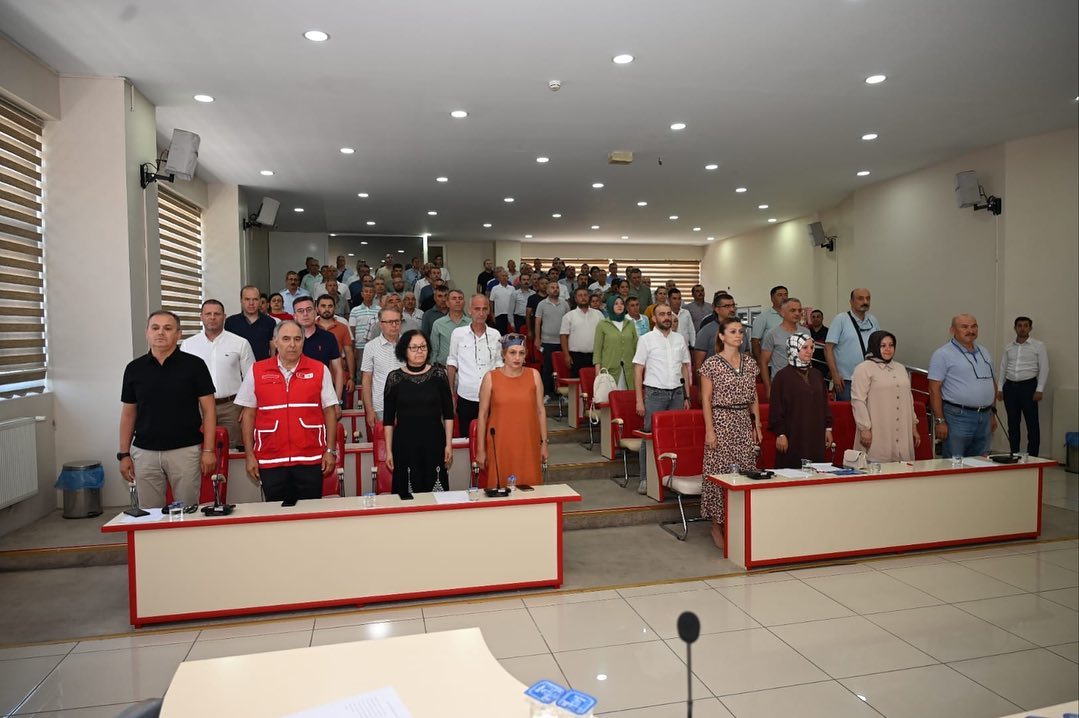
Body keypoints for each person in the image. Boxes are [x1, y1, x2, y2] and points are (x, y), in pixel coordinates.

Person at [118, 310, 217, 508]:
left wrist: (208, 450)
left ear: (178, 334)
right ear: (147, 332)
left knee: (187, 511)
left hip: (185, 451)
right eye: (155, 328)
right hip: (145, 453)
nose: (161, 333)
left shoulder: (195, 366)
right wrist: (124, 454)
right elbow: (128, 414)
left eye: (168, 328)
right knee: (150, 514)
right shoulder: (134, 369)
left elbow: (209, 411)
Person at [235, 320, 338, 503]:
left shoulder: (319, 369)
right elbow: (248, 415)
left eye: (297, 339)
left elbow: (330, 412)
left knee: (310, 511)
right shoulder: (257, 370)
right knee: (276, 513)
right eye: (286, 339)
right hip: (271, 458)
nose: (292, 344)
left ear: (303, 342)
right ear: (275, 342)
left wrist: (330, 450)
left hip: (310, 458)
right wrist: (249, 455)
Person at [699, 317, 762, 548]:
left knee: (745, 470)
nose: (738, 335)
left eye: (741, 331)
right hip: (721, 421)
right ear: (722, 336)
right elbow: (705, 399)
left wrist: (757, 425)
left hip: (743, 421)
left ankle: (739, 521)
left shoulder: (750, 363)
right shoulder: (712, 364)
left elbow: (754, 396)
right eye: (733, 331)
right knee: (719, 472)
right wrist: (710, 430)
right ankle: (716, 524)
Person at [383, 330, 455, 495]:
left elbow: (448, 414)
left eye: (423, 347)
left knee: (435, 493)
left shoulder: (439, 375)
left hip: (434, 443)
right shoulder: (394, 378)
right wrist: (389, 451)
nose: (419, 351)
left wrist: (448, 445)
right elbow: (388, 420)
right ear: (404, 350)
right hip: (404, 445)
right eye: (414, 347)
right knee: (407, 495)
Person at [632, 303, 692, 493]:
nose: (666, 317)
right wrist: (639, 400)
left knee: (675, 437)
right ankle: (645, 479)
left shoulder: (679, 338)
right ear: (653, 318)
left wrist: (687, 396)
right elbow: (638, 370)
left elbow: (684, 368)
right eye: (662, 314)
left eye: (668, 314)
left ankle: (670, 477)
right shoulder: (646, 339)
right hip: (655, 394)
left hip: (677, 394)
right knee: (649, 436)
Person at [476, 334, 548, 486]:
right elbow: (482, 415)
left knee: (530, 486)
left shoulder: (534, 375)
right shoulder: (490, 378)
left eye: (521, 353)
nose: (517, 357)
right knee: (501, 486)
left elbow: (541, 411)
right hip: (500, 443)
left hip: (528, 442)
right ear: (503, 354)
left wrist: (544, 444)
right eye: (512, 352)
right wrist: (481, 449)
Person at [181, 299, 254, 448]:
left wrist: (247, 408)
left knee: (231, 450)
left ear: (224, 317)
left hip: (231, 408)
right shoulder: (188, 345)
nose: (212, 317)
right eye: (208, 314)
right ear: (201, 316)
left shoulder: (240, 343)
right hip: (198, 408)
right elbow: (182, 379)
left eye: (217, 314)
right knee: (199, 449)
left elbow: (251, 378)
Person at [928, 314, 997, 458]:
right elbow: (934, 389)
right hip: (957, 417)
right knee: (955, 462)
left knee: (981, 462)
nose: (970, 331)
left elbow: (992, 383)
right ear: (952, 330)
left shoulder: (984, 352)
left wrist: (992, 414)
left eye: (974, 326)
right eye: (964, 327)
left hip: (985, 417)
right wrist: (940, 421)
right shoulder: (942, 354)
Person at [851, 331, 920, 462]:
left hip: (902, 427)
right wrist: (865, 428)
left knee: (902, 467)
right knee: (878, 465)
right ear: (875, 346)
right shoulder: (864, 368)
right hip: (878, 427)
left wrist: (913, 426)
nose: (888, 349)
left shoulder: (900, 368)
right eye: (883, 345)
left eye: (891, 345)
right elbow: (858, 400)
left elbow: (908, 399)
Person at [769, 335, 833, 469]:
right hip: (793, 434)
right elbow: (776, 408)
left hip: (815, 433)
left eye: (812, 347)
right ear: (794, 349)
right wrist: (781, 433)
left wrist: (828, 429)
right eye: (804, 347)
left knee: (816, 470)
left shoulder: (817, 374)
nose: (809, 351)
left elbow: (824, 404)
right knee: (792, 470)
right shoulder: (782, 377)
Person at [446, 295, 503, 437]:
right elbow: (452, 363)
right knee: (467, 437)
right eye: (477, 309)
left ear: (489, 311)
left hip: (491, 396)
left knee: (491, 438)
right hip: (466, 396)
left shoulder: (496, 335)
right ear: (469, 310)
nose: (481, 313)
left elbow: (499, 365)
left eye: (484, 309)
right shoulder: (458, 334)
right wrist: (450, 393)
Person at [996, 316, 1049, 457]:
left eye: (1026, 325)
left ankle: (1033, 456)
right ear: (1015, 328)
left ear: (1030, 328)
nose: (1022, 328)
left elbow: (1044, 368)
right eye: (1019, 325)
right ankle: (1014, 454)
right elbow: (1003, 368)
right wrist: (1000, 388)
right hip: (1010, 388)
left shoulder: (1038, 346)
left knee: (1032, 424)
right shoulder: (1008, 347)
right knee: (1013, 424)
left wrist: (1039, 389)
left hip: (1029, 388)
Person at [825, 288, 880, 400]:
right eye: (860, 298)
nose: (865, 301)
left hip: (871, 378)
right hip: (847, 380)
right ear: (851, 301)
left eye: (868, 298)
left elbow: (880, 346)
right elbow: (828, 348)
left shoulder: (873, 320)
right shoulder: (841, 319)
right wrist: (835, 375)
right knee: (848, 410)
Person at [292, 296, 344, 400]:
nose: (305, 314)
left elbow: (338, 370)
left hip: (323, 394)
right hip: (295, 395)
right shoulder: (289, 339)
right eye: (300, 311)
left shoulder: (328, 337)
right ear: (295, 316)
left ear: (316, 312)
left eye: (309, 309)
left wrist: (337, 401)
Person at [361, 306, 405, 427]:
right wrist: (369, 410)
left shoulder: (409, 344)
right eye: (390, 322)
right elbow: (366, 380)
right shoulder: (370, 347)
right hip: (381, 406)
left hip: (407, 405)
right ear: (381, 324)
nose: (394, 325)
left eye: (397, 321)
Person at [759, 297, 809, 400]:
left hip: (802, 382)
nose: (797, 313)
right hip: (781, 383)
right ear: (782, 313)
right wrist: (768, 387)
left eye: (799, 310)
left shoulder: (806, 332)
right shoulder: (772, 334)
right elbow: (763, 362)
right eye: (793, 310)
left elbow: (808, 359)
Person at [693, 292, 748, 374]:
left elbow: (746, 354)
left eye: (733, 305)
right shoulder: (706, 331)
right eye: (727, 306)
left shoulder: (741, 329)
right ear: (717, 309)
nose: (732, 309)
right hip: (714, 378)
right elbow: (698, 363)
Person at [592, 296, 638, 390]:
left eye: (621, 303)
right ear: (610, 306)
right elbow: (597, 350)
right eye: (616, 304)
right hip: (609, 369)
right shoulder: (602, 324)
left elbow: (635, 347)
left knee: (627, 396)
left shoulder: (630, 324)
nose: (619, 306)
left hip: (628, 369)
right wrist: (598, 372)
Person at [534, 279, 569, 400]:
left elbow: (569, 322)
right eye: (552, 288)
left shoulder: (565, 304)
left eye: (557, 287)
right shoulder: (542, 304)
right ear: (547, 290)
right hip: (547, 341)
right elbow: (537, 323)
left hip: (562, 342)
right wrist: (537, 338)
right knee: (547, 368)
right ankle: (547, 393)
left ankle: (562, 393)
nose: (555, 290)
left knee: (562, 368)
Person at [316, 295, 355, 402]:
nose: (327, 309)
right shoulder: (311, 327)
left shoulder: (343, 327)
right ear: (317, 308)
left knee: (338, 409)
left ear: (335, 308)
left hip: (338, 378)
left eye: (330, 306)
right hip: (315, 378)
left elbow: (349, 353)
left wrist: (351, 378)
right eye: (323, 306)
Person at [559, 287, 604, 378]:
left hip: (595, 355)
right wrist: (567, 355)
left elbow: (604, 335)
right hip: (576, 356)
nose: (583, 298)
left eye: (585, 295)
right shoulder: (569, 316)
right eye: (580, 295)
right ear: (575, 299)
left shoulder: (598, 314)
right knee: (576, 382)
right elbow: (563, 336)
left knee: (596, 382)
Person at [226, 285, 277, 361]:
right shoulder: (231, 322)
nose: (251, 303)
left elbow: (273, 347)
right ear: (241, 300)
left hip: (262, 366)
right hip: (237, 366)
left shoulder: (270, 322)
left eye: (255, 299)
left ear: (260, 301)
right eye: (247, 299)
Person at [348, 283, 380, 382]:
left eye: (371, 292)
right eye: (366, 292)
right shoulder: (355, 310)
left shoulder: (379, 310)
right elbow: (352, 329)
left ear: (374, 294)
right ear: (362, 294)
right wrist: (354, 347)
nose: (368, 294)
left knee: (376, 370)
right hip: (360, 346)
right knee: (360, 370)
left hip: (376, 345)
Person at [431, 289, 469, 366]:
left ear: (464, 302)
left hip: (466, 367)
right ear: (447, 303)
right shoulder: (438, 324)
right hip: (443, 367)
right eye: (454, 298)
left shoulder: (471, 324)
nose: (457, 301)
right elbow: (434, 350)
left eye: (460, 298)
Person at [750, 285, 788, 359]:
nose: (784, 298)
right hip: (770, 361)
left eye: (786, 295)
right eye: (780, 295)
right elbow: (755, 341)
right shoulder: (763, 317)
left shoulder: (790, 316)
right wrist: (760, 361)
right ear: (772, 299)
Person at [489, 268, 516, 334]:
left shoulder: (512, 288)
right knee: (501, 333)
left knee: (510, 333)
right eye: (502, 276)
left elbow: (515, 301)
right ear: (499, 278)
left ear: (508, 278)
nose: (504, 277)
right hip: (499, 315)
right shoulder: (495, 288)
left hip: (510, 315)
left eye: (506, 276)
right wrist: (492, 314)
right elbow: (491, 301)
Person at [807, 309, 830, 380]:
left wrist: (831, 370)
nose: (815, 319)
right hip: (809, 366)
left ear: (822, 318)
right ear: (811, 319)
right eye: (813, 317)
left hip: (824, 367)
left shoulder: (829, 332)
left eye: (818, 316)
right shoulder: (807, 332)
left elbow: (832, 351)